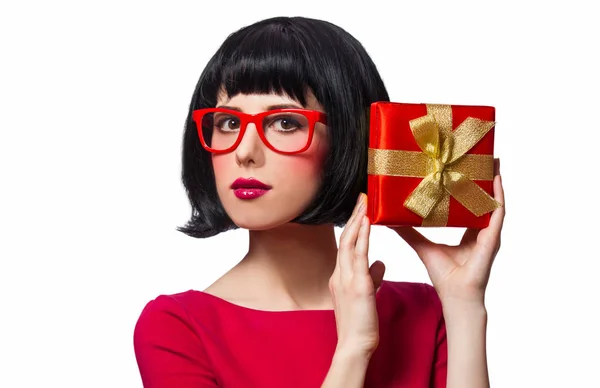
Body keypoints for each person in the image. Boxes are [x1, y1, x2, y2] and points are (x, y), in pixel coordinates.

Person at [133, 16, 505, 388]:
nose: (245, 152)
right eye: (228, 123)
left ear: (348, 140)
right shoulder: (176, 328)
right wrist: (353, 349)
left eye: (285, 123)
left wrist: (464, 304)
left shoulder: (425, 312)